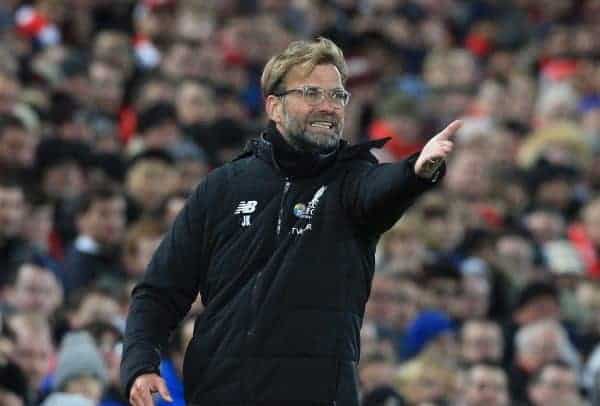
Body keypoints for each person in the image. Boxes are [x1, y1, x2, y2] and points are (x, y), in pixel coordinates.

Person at [120, 37, 461, 406]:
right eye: (312, 93)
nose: (328, 107)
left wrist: (416, 171)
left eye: (338, 96)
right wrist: (141, 364)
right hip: (220, 392)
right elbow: (159, 291)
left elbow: (382, 189)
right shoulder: (223, 187)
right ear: (274, 106)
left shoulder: (353, 179)